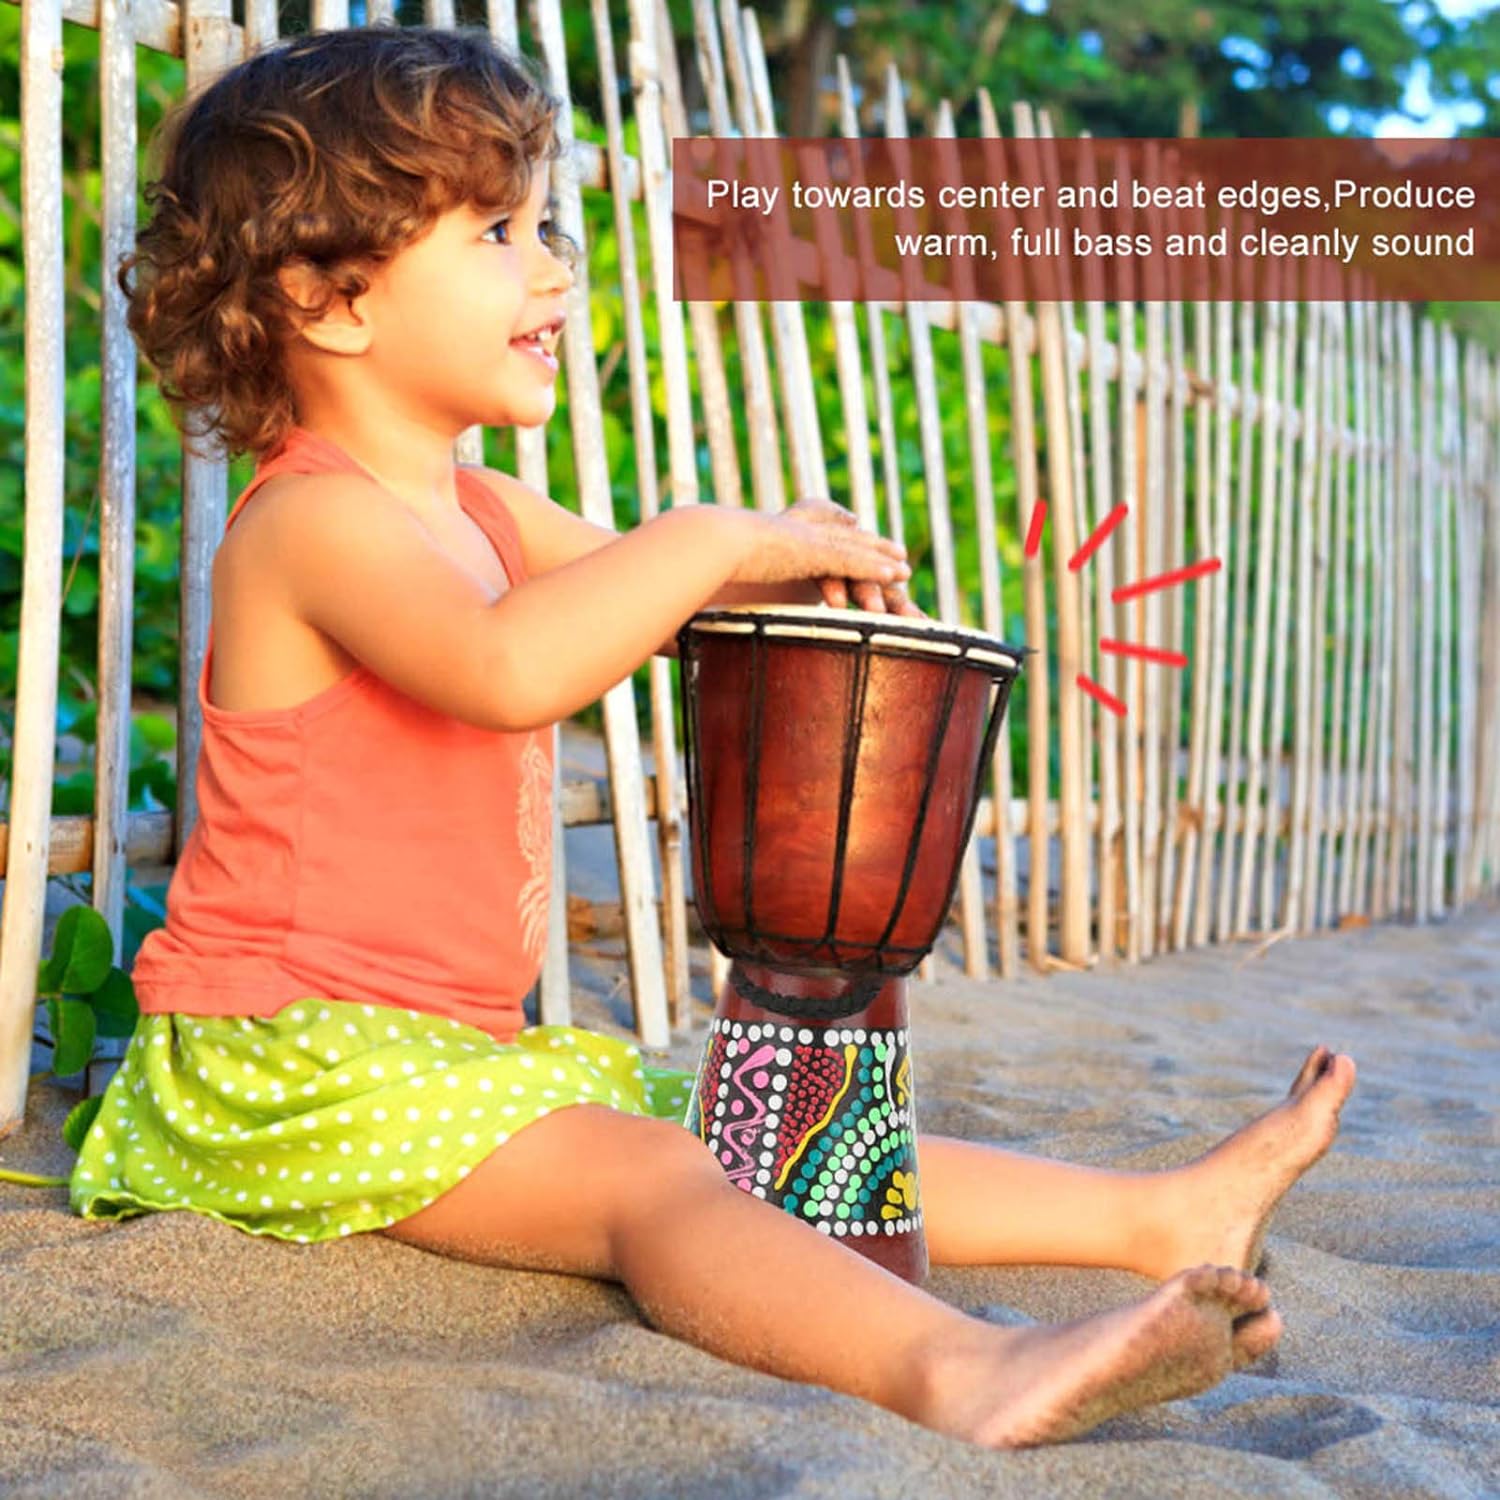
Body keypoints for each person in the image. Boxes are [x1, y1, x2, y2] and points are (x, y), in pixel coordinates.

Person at [70, 24, 1357, 1450]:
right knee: (659, 1185)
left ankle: (1156, 1213)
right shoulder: (310, 521)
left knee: (768, 1119)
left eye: (543, 221)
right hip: (288, 1071)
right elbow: (508, 667)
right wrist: (705, 538)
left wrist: (792, 560)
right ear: (331, 298)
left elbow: (658, 601)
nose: (556, 266)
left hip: (445, 1061)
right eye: (499, 231)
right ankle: (961, 1372)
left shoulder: (481, 512)